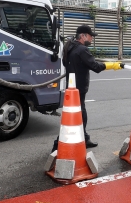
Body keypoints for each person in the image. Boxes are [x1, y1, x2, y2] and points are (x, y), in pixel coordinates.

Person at [52, 24, 124, 152]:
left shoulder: (70, 47)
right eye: (91, 36)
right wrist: (113, 65)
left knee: (76, 114)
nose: (92, 39)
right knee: (77, 116)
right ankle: (58, 145)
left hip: (71, 88)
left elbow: (68, 63)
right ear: (83, 36)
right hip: (78, 89)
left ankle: (84, 138)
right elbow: (95, 66)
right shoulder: (82, 50)